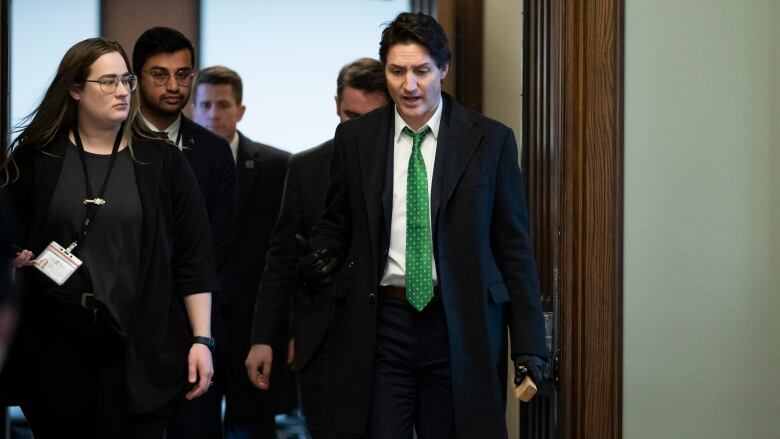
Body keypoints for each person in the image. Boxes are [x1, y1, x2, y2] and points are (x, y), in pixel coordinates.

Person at [297, 12, 548, 438]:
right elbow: (336, 222)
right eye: (397, 71)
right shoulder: (357, 140)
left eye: (421, 71)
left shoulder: (490, 141)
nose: (409, 85)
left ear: (443, 70)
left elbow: (513, 248)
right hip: (382, 323)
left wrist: (528, 344)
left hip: (457, 324)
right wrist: (322, 253)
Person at [0, 37, 217, 438]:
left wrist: (202, 338)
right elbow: (6, 232)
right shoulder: (38, 157)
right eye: (108, 82)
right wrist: (12, 256)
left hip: (139, 345)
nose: (122, 91)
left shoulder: (162, 160)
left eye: (126, 80)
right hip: (55, 345)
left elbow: (194, 257)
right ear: (76, 89)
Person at [246, 58, 389, 438]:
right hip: (324, 341)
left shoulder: (409, 167)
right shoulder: (306, 167)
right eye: (350, 115)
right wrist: (263, 338)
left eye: (370, 118)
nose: (358, 129)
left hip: (389, 340)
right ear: (336, 105)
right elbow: (280, 260)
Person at [132, 27, 236, 439]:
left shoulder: (212, 152)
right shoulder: (114, 142)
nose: (173, 86)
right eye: (159, 74)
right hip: (127, 325)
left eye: (183, 74)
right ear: (136, 77)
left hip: (193, 325)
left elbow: (219, 245)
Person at [191, 65, 291, 438]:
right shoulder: (172, 166)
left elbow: (285, 254)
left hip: (254, 322)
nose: (214, 114)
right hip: (196, 323)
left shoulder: (279, 166)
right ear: (194, 110)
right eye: (205, 105)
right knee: (193, 424)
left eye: (222, 104)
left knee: (252, 427)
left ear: (240, 110)